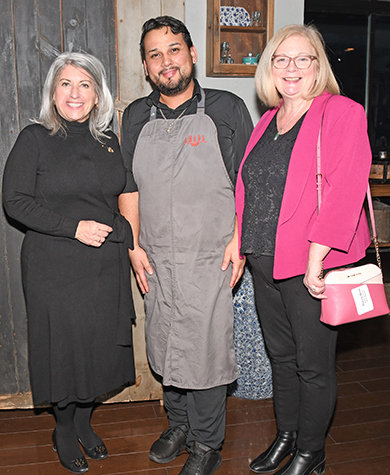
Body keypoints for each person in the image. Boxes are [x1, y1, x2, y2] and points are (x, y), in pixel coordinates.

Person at [235, 24, 372, 475]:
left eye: (303, 59)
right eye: (281, 59)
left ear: (318, 66)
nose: (291, 68)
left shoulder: (341, 112)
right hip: (264, 260)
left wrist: (316, 258)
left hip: (310, 263)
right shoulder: (267, 121)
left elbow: (344, 190)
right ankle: (287, 436)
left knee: (313, 365)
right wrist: (239, 245)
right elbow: (249, 190)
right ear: (269, 68)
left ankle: (312, 452)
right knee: (282, 359)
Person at [119, 16, 253, 475]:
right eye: (155, 54)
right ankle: (177, 424)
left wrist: (239, 241)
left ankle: (207, 443)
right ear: (145, 65)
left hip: (210, 254)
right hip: (154, 255)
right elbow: (128, 188)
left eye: (173, 49)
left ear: (192, 54)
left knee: (206, 350)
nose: (165, 61)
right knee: (165, 342)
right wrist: (133, 246)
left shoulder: (226, 108)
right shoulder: (135, 116)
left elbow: (245, 184)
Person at [2, 52, 136, 474]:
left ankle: (84, 419)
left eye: (84, 84)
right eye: (65, 84)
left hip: (104, 262)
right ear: (52, 92)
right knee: (63, 348)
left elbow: (125, 190)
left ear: (98, 95)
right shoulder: (35, 138)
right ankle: (63, 428)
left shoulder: (109, 140)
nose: (74, 93)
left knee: (96, 346)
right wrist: (72, 227)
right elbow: (14, 201)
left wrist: (131, 239)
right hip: (54, 263)